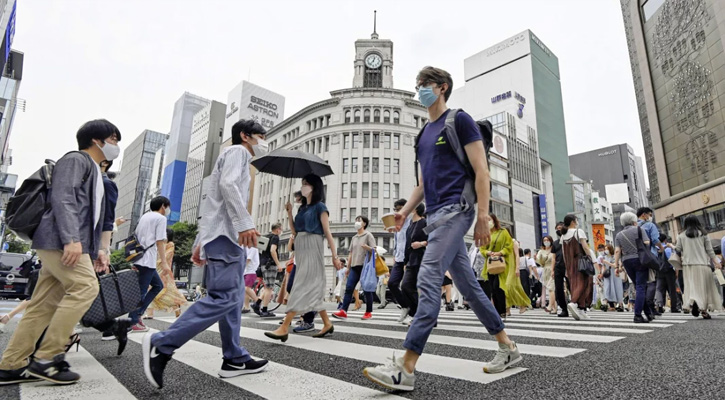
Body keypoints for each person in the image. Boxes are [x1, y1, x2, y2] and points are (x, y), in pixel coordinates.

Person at [363, 66, 520, 392]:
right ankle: (508, 347)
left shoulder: (458, 120)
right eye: (417, 84)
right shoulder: (422, 134)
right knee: (471, 287)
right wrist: (405, 213)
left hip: (457, 211)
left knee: (428, 276)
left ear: (442, 87)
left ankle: (406, 366)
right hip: (434, 218)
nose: (420, 89)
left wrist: (481, 215)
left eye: (425, 84)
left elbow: (482, 171)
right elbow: (422, 184)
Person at [142, 119, 270, 389]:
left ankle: (234, 357)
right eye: (261, 136)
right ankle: (161, 344)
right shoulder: (237, 152)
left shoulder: (230, 157)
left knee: (233, 301)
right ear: (245, 136)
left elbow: (213, 206)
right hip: (226, 238)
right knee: (224, 298)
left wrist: (201, 242)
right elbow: (228, 186)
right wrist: (245, 222)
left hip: (219, 237)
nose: (263, 141)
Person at [0, 119, 119, 385]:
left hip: (66, 242)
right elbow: (63, 198)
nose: (115, 145)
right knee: (86, 287)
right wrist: (71, 239)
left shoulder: (95, 172)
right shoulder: (76, 160)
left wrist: (97, 249)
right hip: (59, 240)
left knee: (42, 305)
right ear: (96, 140)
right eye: (113, 139)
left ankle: (11, 364)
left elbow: (94, 216)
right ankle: (47, 358)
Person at [264, 174, 341, 341]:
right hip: (301, 247)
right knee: (310, 287)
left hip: (313, 247)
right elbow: (294, 231)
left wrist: (335, 256)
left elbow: (327, 232)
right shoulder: (302, 208)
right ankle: (327, 323)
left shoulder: (321, 207)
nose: (303, 186)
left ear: (314, 186)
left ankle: (284, 326)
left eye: (305, 184)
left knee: (300, 285)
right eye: (302, 183)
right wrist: (290, 213)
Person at [128, 196, 172, 332]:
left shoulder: (144, 217)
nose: (168, 210)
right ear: (163, 206)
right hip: (147, 260)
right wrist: (164, 263)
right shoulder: (161, 219)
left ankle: (138, 314)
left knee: (158, 285)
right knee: (142, 291)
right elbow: (160, 241)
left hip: (139, 257)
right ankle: (132, 321)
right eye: (167, 207)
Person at [480, 215, 530, 317]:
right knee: (493, 289)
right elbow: (482, 248)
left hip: (502, 263)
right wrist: (488, 252)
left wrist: (500, 253)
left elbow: (508, 246)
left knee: (498, 287)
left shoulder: (503, 232)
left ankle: (502, 311)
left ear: (494, 220)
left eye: (489, 220)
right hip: (490, 264)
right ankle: (498, 311)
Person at [675, 215, 723, 319]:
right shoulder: (703, 234)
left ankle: (694, 303)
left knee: (692, 287)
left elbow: (678, 249)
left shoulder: (681, 235)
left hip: (688, 266)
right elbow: (710, 250)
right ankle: (703, 310)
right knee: (704, 288)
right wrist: (716, 262)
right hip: (702, 265)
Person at [333, 215, 377, 320]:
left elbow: (375, 250)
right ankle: (343, 311)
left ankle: (368, 312)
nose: (356, 222)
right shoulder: (354, 237)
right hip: (354, 267)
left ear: (364, 223)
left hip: (364, 267)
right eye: (356, 220)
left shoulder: (368, 235)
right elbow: (351, 254)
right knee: (349, 288)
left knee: (367, 290)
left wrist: (368, 248)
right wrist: (348, 268)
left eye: (359, 220)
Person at [614, 212, 652, 323]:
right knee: (641, 287)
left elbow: (617, 251)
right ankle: (638, 315)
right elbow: (647, 243)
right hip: (640, 259)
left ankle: (648, 313)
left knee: (638, 286)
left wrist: (616, 266)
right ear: (633, 220)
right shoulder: (639, 230)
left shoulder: (619, 235)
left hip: (627, 261)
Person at [559, 215, 594, 320]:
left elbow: (564, 253)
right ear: (573, 222)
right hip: (580, 261)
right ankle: (574, 302)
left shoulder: (563, 236)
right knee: (583, 284)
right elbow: (585, 247)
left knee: (575, 285)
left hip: (570, 263)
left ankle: (581, 309)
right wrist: (591, 258)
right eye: (576, 220)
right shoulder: (578, 232)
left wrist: (566, 266)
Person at [147, 229, 187, 319]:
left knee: (167, 291)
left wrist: (155, 262)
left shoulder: (170, 244)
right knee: (150, 290)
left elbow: (166, 256)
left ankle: (176, 306)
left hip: (164, 271)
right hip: (154, 269)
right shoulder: (158, 243)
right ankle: (150, 313)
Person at [400, 202, 427, 325]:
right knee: (405, 286)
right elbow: (407, 245)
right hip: (411, 259)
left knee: (422, 288)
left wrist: (420, 244)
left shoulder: (425, 222)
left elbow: (432, 238)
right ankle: (419, 313)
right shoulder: (410, 225)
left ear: (416, 209)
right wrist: (405, 261)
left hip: (423, 258)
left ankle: (420, 315)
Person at [637, 207, 665, 317]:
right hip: (650, 256)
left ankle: (645, 306)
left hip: (637, 257)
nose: (650, 217)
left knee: (641, 283)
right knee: (652, 281)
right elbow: (655, 239)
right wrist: (661, 247)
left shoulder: (633, 226)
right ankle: (650, 305)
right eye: (649, 214)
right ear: (644, 215)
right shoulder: (650, 225)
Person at [253, 224, 284, 318]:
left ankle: (257, 303)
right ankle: (265, 310)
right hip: (270, 264)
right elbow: (273, 250)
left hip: (264, 263)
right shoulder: (275, 237)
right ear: (278, 230)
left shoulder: (267, 237)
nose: (281, 231)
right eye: (281, 229)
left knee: (267, 286)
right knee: (269, 288)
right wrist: (278, 263)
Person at [387, 198, 412, 317]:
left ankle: (414, 311)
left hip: (409, 258)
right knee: (392, 283)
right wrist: (395, 255)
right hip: (399, 258)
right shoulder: (396, 223)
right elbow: (396, 240)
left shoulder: (412, 221)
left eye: (400, 209)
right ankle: (405, 306)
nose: (397, 212)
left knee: (407, 286)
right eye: (395, 210)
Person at [655, 234, 680, 313]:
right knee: (672, 289)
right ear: (665, 240)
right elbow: (673, 261)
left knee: (659, 289)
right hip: (669, 271)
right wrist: (676, 272)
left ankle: (660, 306)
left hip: (659, 271)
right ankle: (674, 307)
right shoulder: (668, 249)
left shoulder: (655, 249)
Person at [598, 244, 624, 312]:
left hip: (615, 275)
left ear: (610, 249)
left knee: (617, 289)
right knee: (607, 289)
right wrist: (601, 274)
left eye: (607, 249)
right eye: (605, 249)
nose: (606, 250)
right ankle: (608, 304)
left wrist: (607, 262)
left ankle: (620, 304)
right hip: (607, 276)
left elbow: (615, 265)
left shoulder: (614, 257)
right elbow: (603, 266)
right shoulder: (604, 257)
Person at [537, 236, 557, 314]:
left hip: (553, 270)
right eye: (544, 240)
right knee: (549, 289)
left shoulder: (553, 249)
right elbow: (540, 262)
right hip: (545, 270)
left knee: (551, 288)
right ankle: (554, 308)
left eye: (548, 240)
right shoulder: (541, 251)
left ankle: (549, 306)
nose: (546, 241)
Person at [242, 246, 260, 314]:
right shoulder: (244, 247)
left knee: (247, 288)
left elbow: (248, 259)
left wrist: (241, 267)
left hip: (251, 270)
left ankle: (257, 302)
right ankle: (246, 307)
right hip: (245, 271)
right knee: (245, 290)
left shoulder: (253, 247)